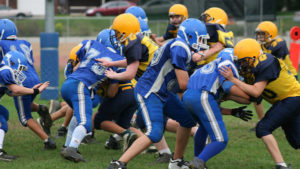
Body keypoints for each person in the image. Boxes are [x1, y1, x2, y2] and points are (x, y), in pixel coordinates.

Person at [106, 18, 208, 169]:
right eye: (200, 39)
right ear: (190, 36)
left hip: (163, 92)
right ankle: (118, 164)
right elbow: (184, 83)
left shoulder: (181, 47)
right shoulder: (179, 47)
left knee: (187, 122)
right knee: (155, 133)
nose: (202, 43)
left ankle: (176, 162)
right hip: (150, 92)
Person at [220, 38, 300, 169]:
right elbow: (251, 98)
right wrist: (229, 97)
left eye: (244, 61)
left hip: (292, 98)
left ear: (253, 57)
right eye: (240, 62)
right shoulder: (251, 71)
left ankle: (281, 166)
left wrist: (233, 79)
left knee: (263, 128)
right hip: (285, 102)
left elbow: (256, 92)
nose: (242, 66)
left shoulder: (266, 62)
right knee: (297, 142)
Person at [183, 48, 253, 169]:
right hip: (202, 96)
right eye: (240, 61)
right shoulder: (226, 64)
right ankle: (198, 161)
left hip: (188, 97)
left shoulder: (209, 68)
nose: (242, 64)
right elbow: (227, 88)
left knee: (204, 127)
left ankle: (199, 160)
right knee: (220, 139)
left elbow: (212, 107)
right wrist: (254, 95)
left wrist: (232, 111)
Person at [60, 39, 124, 162]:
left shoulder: (92, 44)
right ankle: (72, 149)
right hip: (81, 86)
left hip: (67, 84)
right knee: (86, 124)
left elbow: (76, 61)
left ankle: (67, 146)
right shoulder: (118, 60)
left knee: (77, 116)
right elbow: (111, 93)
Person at [0, 19, 55, 149]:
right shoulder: (25, 43)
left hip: (18, 79)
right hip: (33, 77)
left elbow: (14, 88)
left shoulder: (1, 45)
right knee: (25, 104)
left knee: (25, 117)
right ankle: (40, 108)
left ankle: (48, 141)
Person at [0, 51, 50, 160]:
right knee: (2, 123)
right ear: (12, 63)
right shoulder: (5, 71)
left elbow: (12, 93)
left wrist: (33, 91)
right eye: (20, 68)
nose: (20, 71)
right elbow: (15, 89)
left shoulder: (4, 71)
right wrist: (35, 90)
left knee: (4, 113)